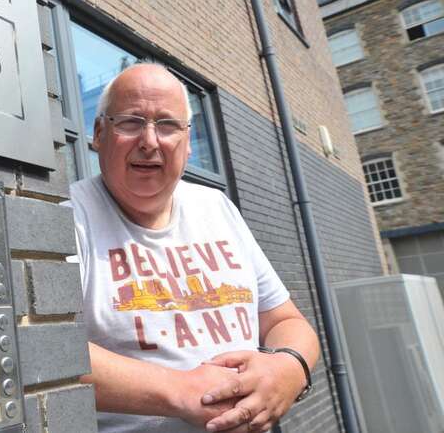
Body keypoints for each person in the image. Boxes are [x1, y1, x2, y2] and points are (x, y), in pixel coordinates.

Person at [67, 63, 320, 433]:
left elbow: (285, 321)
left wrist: (290, 366)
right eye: (131, 122)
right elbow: (45, 348)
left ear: (187, 142)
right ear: (99, 133)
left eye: (167, 125)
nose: (150, 141)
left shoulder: (216, 208)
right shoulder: (68, 218)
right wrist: (182, 392)